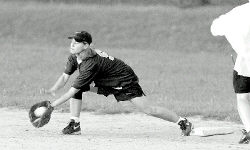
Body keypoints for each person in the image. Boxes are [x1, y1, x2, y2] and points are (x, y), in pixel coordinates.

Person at [41, 31, 193, 136]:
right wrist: (52, 89)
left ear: (86, 45)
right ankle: (74, 125)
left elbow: (71, 92)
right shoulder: (75, 57)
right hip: (106, 80)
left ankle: (182, 122)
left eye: (77, 42)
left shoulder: (90, 64)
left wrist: (52, 106)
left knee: (148, 109)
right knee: (80, 89)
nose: (72, 45)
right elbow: (64, 77)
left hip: (124, 80)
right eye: (72, 42)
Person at [211, 1, 250, 144]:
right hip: (244, 64)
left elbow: (215, 28)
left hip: (245, 65)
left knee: (243, 98)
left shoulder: (239, 12)